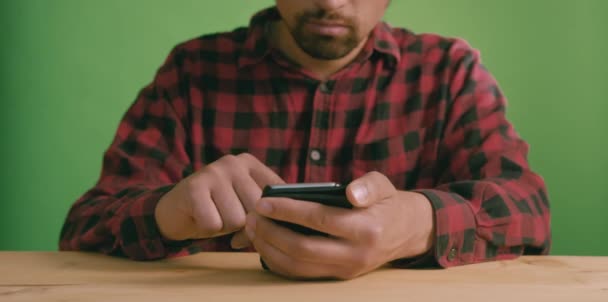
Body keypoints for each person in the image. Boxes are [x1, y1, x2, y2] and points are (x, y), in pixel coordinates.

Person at [60, 0, 551, 280]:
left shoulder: (448, 71)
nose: (331, 1)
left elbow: (529, 210)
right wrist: (165, 214)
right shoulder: (193, 70)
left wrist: (418, 222)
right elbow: (84, 227)